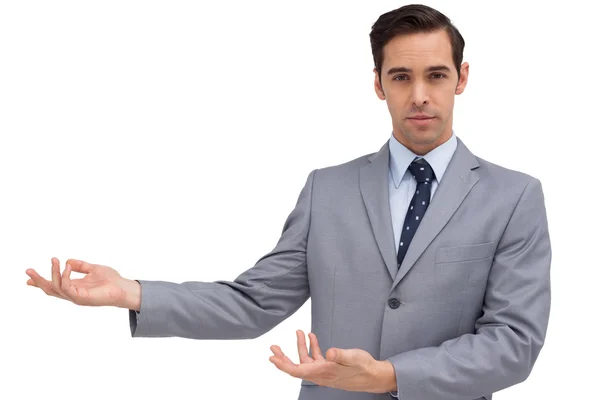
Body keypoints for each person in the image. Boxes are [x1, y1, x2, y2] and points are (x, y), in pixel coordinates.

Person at [25, 4, 551, 400]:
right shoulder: (329, 189)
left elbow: (513, 344)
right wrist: (134, 293)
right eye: (400, 77)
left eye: (436, 75)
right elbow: (255, 303)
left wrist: (391, 376)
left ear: (461, 79)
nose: (419, 94)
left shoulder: (513, 197)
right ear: (377, 85)